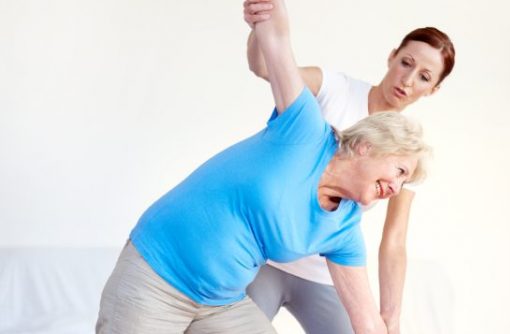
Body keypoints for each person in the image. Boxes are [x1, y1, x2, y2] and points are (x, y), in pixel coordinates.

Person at [96, 0, 430, 333]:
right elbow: (277, 45)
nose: (397, 188)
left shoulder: (344, 231)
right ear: (366, 145)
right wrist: (269, 12)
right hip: (157, 275)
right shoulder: (305, 131)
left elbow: (367, 321)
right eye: (400, 171)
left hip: (219, 303)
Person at [242, 1, 455, 333]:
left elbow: (395, 241)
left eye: (424, 76)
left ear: (434, 89)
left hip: (324, 273)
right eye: (406, 63)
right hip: (267, 256)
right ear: (392, 55)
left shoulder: (408, 156)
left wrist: (391, 317)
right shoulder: (334, 88)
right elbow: (269, 68)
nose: (408, 80)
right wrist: (261, 24)